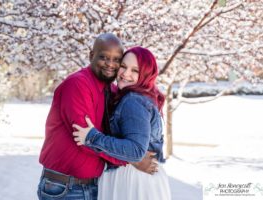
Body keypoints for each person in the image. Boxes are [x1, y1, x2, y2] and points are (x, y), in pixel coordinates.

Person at [37, 34, 157, 200]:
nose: (110, 64)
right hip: (66, 187)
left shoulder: (114, 91)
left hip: (91, 185)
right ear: (91, 56)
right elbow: (85, 140)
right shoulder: (78, 85)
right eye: (104, 57)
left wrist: (132, 153)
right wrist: (133, 159)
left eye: (116, 60)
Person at [73, 47, 172, 200]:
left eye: (135, 71)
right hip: (141, 178)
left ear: (146, 74)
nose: (126, 74)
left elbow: (135, 151)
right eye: (124, 67)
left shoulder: (133, 101)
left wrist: (92, 137)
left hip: (132, 180)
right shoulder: (142, 96)